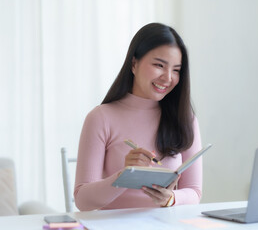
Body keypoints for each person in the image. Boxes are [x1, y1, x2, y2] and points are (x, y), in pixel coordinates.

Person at [74, 23, 202, 211]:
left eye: (176, 70)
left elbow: (194, 191)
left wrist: (172, 198)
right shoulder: (100, 118)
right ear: (134, 64)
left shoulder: (185, 118)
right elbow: (83, 200)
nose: (168, 78)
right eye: (159, 65)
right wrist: (125, 175)